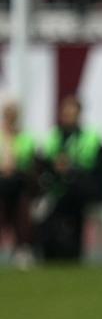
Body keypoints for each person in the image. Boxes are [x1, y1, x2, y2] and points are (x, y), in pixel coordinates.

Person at [34, 95, 102, 261]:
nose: (68, 116)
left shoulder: (91, 138)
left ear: (79, 114)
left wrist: (72, 168)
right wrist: (56, 166)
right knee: (58, 200)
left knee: (74, 190)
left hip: (86, 188)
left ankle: (66, 249)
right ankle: (54, 250)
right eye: (66, 113)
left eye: (72, 113)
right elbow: (43, 164)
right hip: (61, 190)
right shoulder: (53, 137)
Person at [0, 102, 36, 267]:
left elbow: (29, 164)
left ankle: (22, 248)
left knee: (22, 205)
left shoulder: (26, 138)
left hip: (19, 184)